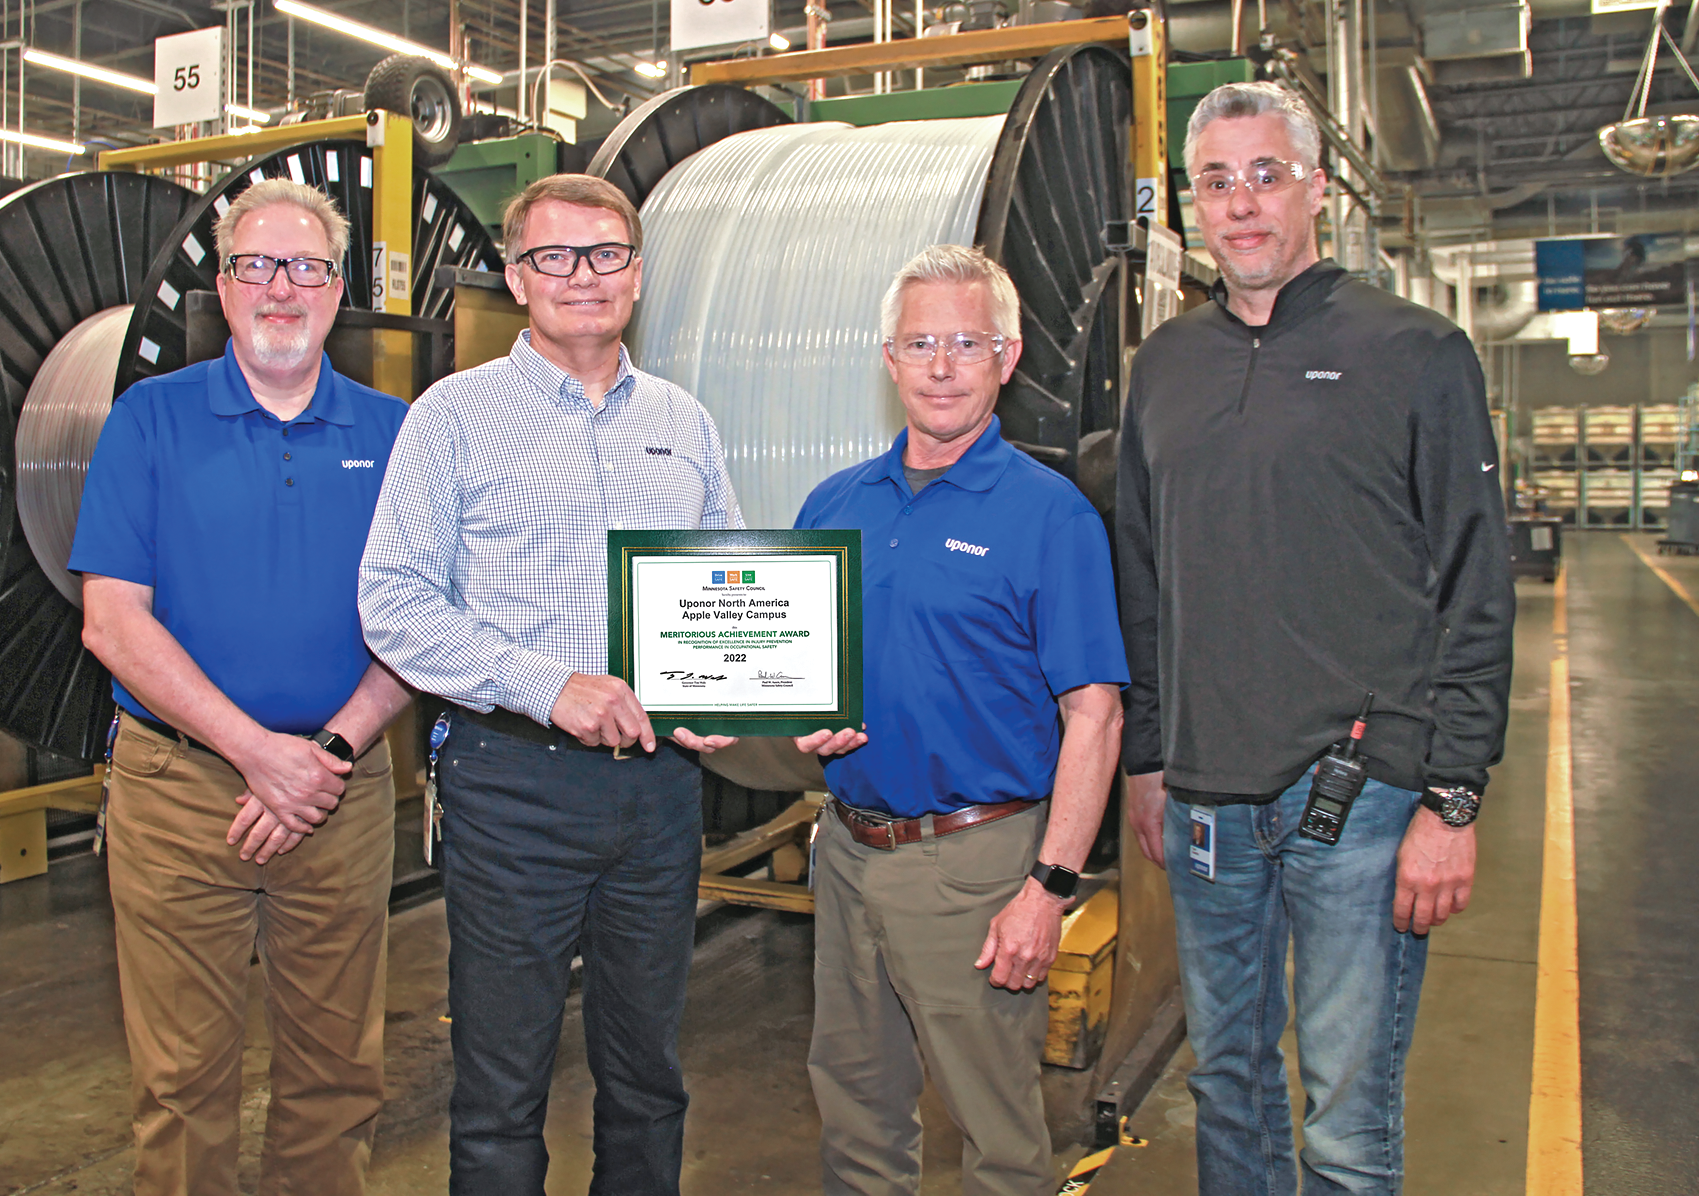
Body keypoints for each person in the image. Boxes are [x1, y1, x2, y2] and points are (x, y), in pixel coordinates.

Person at [1115, 81, 1515, 1193]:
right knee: (1226, 1089)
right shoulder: (1166, 370)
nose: (1240, 205)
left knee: (1345, 1113)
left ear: (1316, 189)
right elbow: (1140, 579)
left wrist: (1453, 798)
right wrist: (1148, 756)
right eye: (1215, 182)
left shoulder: (1417, 354)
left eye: (1264, 174)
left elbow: (1475, 586)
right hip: (1203, 802)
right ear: (1189, 207)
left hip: (1362, 796)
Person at [357, 173, 743, 1195]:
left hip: (656, 793)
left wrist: (736, 692)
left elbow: (727, 589)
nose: (585, 276)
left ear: (638, 273)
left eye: (607, 253)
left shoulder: (684, 423)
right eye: (555, 257)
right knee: (501, 1088)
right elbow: (393, 600)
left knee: (648, 1077)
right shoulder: (452, 417)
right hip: (511, 784)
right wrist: (545, 684)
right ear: (517, 279)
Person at [69, 178, 414, 1195]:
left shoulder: (396, 435)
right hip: (180, 795)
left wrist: (333, 750)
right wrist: (258, 755)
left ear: (337, 288)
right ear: (221, 287)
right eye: (255, 265)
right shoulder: (151, 421)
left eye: (305, 266)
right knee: (181, 1081)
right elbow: (111, 620)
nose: (280, 288)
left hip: (338, 790)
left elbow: (423, 624)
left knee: (337, 1073)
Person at [795, 244, 1129, 1195]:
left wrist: (1049, 886)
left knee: (999, 1138)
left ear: (1007, 357)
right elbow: (799, 673)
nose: (943, 365)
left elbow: (1094, 716)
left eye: (967, 343)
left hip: (977, 866)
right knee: (856, 1115)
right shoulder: (833, 505)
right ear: (889, 358)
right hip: (850, 851)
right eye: (921, 342)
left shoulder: (1049, 515)